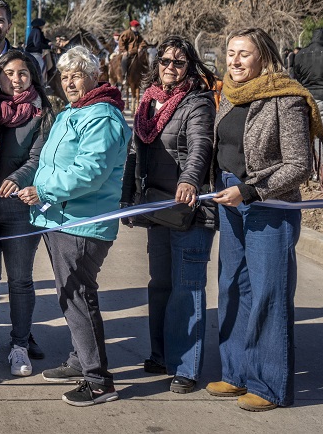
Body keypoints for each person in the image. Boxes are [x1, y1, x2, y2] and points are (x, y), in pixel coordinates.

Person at [206, 27, 321, 412]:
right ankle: (236, 373)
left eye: (244, 54)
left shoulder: (285, 97)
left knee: (269, 293)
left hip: (269, 205)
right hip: (230, 198)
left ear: (263, 57)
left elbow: (298, 165)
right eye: (230, 52)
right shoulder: (228, 95)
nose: (235, 61)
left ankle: (269, 384)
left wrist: (251, 191)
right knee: (233, 287)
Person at [17, 45, 129, 407]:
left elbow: (90, 173)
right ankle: (80, 361)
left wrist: (43, 189)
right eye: (64, 76)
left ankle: (99, 381)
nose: (69, 82)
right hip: (60, 218)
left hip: (82, 224)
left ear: (94, 75)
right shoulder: (72, 112)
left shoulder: (103, 117)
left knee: (78, 298)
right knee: (70, 296)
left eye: (77, 74)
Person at [120, 37, 217, 394]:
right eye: (165, 61)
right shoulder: (148, 100)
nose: (170, 67)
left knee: (187, 288)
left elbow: (200, 145)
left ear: (190, 65)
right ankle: (160, 354)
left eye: (178, 62)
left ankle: (185, 366)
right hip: (157, 206)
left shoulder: (198, 102)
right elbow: (135, 153)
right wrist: (127, 198)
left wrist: (190, 179)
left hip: (189, 208)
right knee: (159, 285)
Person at [0, 50, 54, 376]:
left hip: (19, 207)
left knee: (20, 280)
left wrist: (15, 179)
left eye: (23, 73)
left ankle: (19, 345)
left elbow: (38, 159)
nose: (16, 79)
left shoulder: (42, 114)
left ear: (33, 76)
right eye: (8, 73)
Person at [292, 27, 323, 155]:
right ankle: (319, 169)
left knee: (307, 134)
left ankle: (308, 167)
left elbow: (296, 77)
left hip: (306, 98)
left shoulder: (300, 54)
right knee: (322, 136)